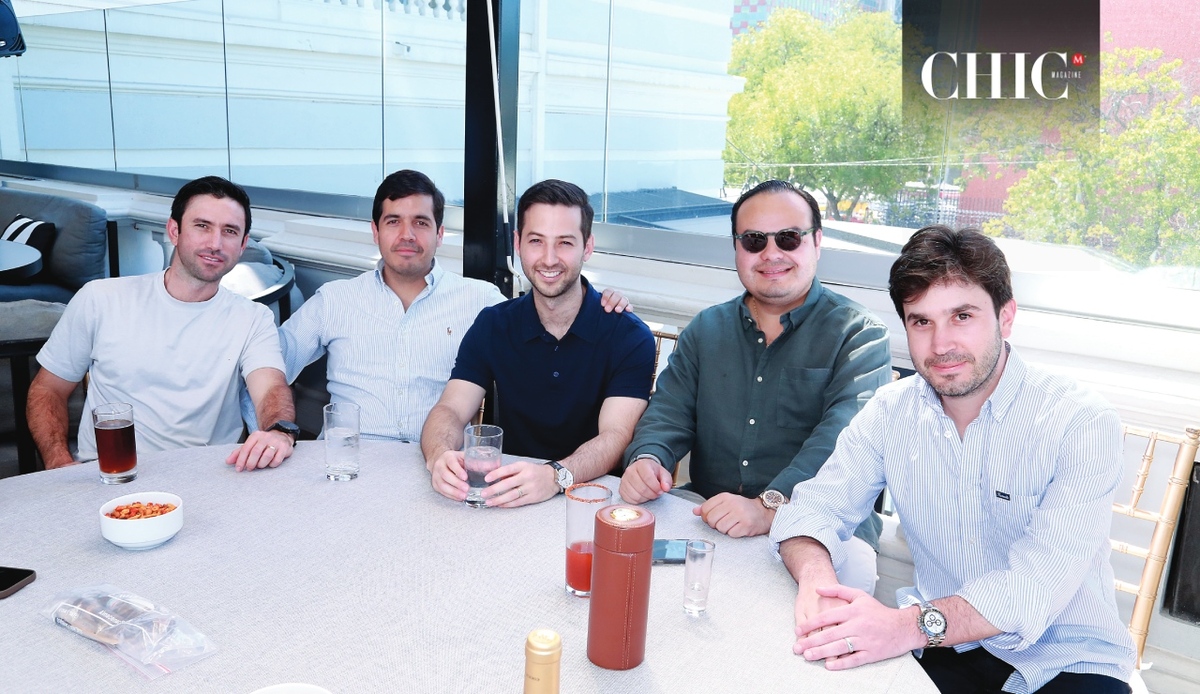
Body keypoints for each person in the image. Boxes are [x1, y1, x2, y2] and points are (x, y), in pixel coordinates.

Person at [771, 226, 1135, 694]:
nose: (940, 345)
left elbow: (1033, 588)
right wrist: (816, 585)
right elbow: (811, 510)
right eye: (921, 321)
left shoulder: (1080, 423)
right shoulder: (889, 411)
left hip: (1065, 656)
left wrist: (905, 626)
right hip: (944, 648)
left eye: (962, 315)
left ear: (1006, 317)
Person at [619, 180, 890, 592]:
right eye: (753, 240)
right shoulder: (706, 329)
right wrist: (648, 459)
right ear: (737, 249)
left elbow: (842, 441)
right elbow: (667, 411)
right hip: (711, 516)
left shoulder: (860, 334)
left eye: (788, 237)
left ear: (817, 242)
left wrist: (768, 506)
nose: (771, 253)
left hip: (827, 531)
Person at [276, 169, 629, 441]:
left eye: (421, 223)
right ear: (375, 231)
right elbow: (269, 363)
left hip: (434, 463)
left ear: (440, 234)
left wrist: (600, 302)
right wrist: (275, 429)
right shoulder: (334, 301)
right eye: (393, 222)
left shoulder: (481, 301)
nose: (407, 236)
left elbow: (547, 311)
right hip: (348, 465)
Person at [28, 176, 297, 473]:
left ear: (243, 244)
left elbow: (271, 387)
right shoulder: (101, 299)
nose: (215, 243)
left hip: (209, 475)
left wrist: (279, 431)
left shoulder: (253, 319)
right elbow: (47, 389)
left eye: (230, 231)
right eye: (202, 226)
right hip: (110, 473)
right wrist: (58, 462)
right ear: (174, 230)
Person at [422, 179, 656, 507]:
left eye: (564, 243)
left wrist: (555, 476)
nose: (548, 259)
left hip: (595, 499)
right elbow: (450, 408)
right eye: (536, 241)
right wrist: (439, 456)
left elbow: (616, 436)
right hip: (506, 493)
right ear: (518, 243)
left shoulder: (628, 335)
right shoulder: (494, 324)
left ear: (587, 247)